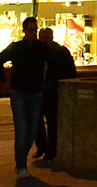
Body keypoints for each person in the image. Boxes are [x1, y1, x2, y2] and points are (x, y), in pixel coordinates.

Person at [0, 16, 49, 179]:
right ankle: (21, 164)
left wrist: (46, 82)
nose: (33, 33)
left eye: (35, 30)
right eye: (31, 30)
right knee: (22, 128)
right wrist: (4, 81)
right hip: (19, 92)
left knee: (31, 130)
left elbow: (49, 66)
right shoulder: (17, 47)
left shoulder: (41, 48)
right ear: (24, 30)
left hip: (35, 92)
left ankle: (21, 160)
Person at [33, 26, 77, 165]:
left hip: (53, 92)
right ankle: (42, 147)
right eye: (42, 38)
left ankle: (51, 150)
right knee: (37, 121)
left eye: (46, 38)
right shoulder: (38, 52)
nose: (44, 41)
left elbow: (68, 71)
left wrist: (54, 83)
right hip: (40, 91)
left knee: (52, 122)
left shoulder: (59, 52)